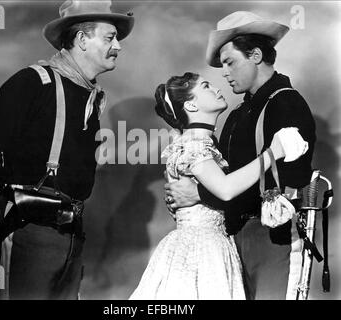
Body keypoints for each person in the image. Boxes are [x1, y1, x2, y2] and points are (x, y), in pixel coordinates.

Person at [0, 0, 134, 300]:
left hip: (71, 235)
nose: (118, 46)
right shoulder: (33, 82)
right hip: (30, 233)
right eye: (110, 38)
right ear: (82, 40)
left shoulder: (89, 96)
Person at [164, 11, 316, 300]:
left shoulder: (287, 103)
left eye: (230, 62)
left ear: (255, 55)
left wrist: (198, 194)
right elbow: (226, 177)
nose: (225, 73)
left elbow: (289, 181)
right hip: (233, 237)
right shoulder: (236, 115)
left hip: (274, 236)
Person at [130, 72, 308, 300]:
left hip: (210, 243)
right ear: (191, 105)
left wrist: (196, 196)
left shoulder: (200, 143)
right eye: (206, 86)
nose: (216, 88)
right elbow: (225, 189)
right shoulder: (194, 145)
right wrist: (273, 152)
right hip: (202, 250)